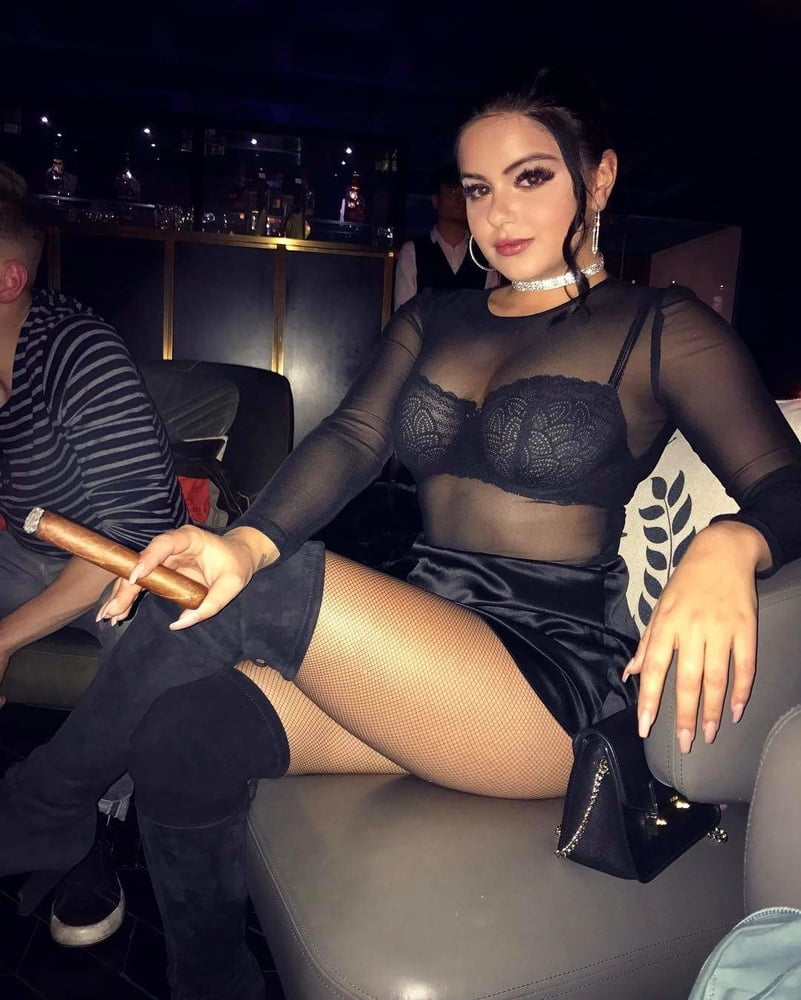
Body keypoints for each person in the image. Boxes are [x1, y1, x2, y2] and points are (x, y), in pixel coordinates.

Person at [3, 70, 801, 1000]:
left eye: (531, 177)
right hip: (425, 653)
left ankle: (39, 811)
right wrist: (242, 541)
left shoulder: (661, 325)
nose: (499, 213)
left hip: (548, 678)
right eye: (478, 188)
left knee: (277, 585)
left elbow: (786, 487)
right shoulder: (435, 318)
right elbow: (349, 438)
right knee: (186, 734)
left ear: (599, 178)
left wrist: (729, 542)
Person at [0, 162, 188, 945]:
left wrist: (2, 641)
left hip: (133, 569)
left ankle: (89, 819)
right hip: (27, 550)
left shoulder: (79, 352)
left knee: (160, 655)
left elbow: (129, 548)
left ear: (8, 279)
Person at [393, 162, 500, 308]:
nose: (460, 199)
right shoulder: (413, 252)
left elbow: (492, 309)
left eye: (465, 193)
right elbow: (403, 311)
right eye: (453, 192)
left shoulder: (484, 254)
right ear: (436, 200)